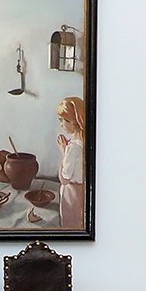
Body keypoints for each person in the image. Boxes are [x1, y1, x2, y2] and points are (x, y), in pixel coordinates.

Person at [56, 97, 87, 230]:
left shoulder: (73, 148)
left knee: (69, 225)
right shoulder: (84, 143)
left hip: (71, 194)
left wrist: (63, 152)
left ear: (72, 122)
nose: (61, 124)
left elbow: (65, 179)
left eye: (62, 120)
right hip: (81, 191)